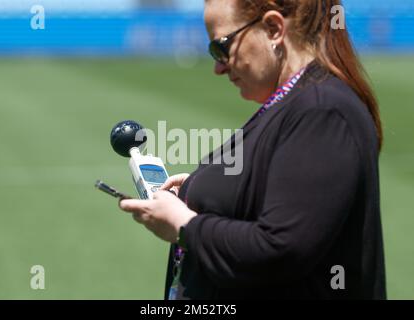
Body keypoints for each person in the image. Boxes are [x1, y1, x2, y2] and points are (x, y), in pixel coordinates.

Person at [119, 0, 386, 299]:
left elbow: (281, 250)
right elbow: (276, 191)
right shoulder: (296, 101)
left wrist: (183, 225)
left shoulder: (323, 110)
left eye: (221, 48)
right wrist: (204, 190)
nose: (218, 67)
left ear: (273, 29)